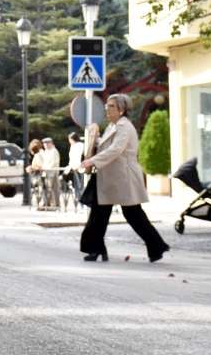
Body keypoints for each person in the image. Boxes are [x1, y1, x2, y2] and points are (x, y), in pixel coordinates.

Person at [79, 94, 170, 263]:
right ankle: (96, 249)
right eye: (107, 105)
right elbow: (106, 146)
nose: (107, 108)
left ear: (121, 109)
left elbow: (116, 149)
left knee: (133, 215)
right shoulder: (114, 126)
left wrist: (92, 160)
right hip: (110, 177)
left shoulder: (124, 127)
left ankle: (157, 246)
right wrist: (95, 138)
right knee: (99, 214)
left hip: (123, 178)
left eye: (111, 106)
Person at [64, 131, 86, 208]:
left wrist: (74, 166)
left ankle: (81, 203)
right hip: (76, 168)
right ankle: (80, 203)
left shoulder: (78, 146)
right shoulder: (78, 145)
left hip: (78, 168)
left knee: (80, 187)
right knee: (78, 187)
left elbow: (77, 158)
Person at [38, 137, 61, 209]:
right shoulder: (46, 151)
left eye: (47, 143)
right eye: (44, 144)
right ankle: (47, 204)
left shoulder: (54, 151)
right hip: (46, 173)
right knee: (47, 189)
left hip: (52, 173)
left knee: (52, 189)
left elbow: (54, 163)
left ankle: (53, 204)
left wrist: (46, 169)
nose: (45, 145)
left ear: (50, 143)